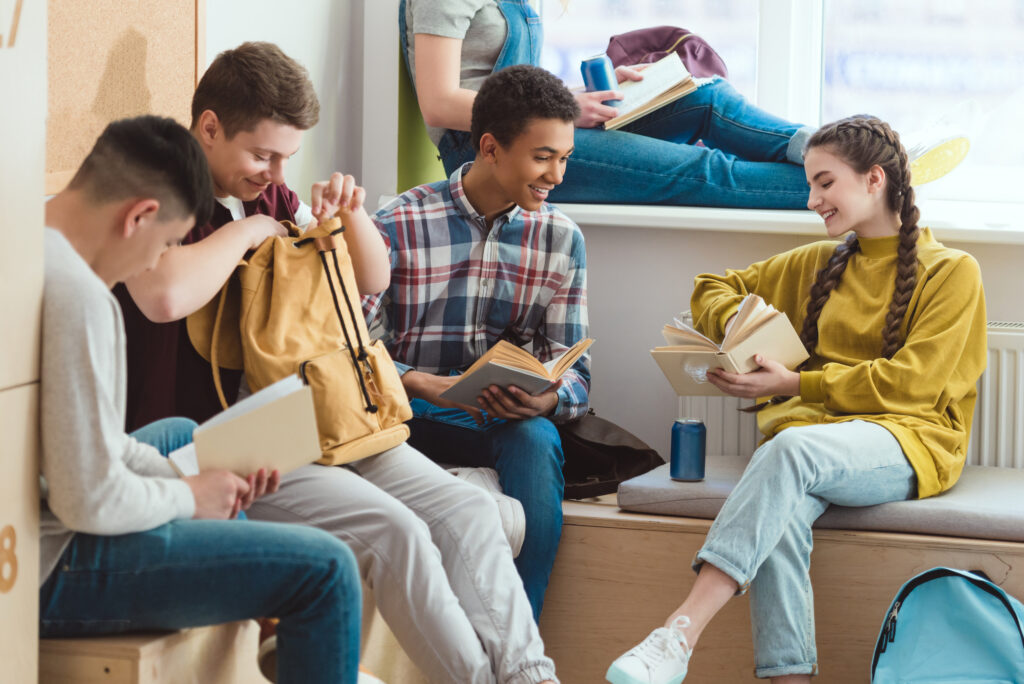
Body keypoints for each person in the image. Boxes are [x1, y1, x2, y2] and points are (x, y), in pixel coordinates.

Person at [117, 43, 559, 684]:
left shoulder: (268, 195)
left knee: (465, 511)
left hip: (312, 419)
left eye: (285, 159)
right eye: (262, 155)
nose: (273, 172)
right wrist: (249, 233)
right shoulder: (158, 190)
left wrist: (349, 215)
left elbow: (370, 279)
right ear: (208, 127)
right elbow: (162, 296)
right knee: (398, 532)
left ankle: (530, 676)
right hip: (215, 445)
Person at [605, 115, 987, 683]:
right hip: (812, 447)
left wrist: (794, 384)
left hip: (910, 440)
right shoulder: (816, 264)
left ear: (875, 178)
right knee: (779, 514)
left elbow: (915, 384)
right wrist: (742, 324)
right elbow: (711, 285)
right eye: (810, 184)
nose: (812, 200)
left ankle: (679, 632)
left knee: (787, 452)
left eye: (825, 182)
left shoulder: (953, 272)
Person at [39, 115, 362, 684]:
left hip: (36, 502)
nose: (150, 266)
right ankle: (274, 617)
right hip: (43, 565)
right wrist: (188, 496)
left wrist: (179, 477)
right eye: (164, 243)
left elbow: (87, 445)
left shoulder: (29, 237)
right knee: (329, 569)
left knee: (179, 435)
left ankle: (259, 605)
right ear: (138, 216)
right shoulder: (81, 298)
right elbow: (88, 502)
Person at [364, 63, 590, 620]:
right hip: (406, 413)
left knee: (536, 437)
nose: (556, 175)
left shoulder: (562, 239)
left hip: (498, 421)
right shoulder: (396, 224)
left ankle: (520, 648)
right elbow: (354, 356)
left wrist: (547, 398)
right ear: (490, 147)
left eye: (564, 157)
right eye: (543, 157)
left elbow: (578, 375)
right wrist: (422, 384)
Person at [401, 0, 815, 209]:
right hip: (492, 152)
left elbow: (505, 82)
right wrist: (557, 111)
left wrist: (576, 96)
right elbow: (438, 103)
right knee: (702, 169)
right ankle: (836, 187)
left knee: (707, 99)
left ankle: (835, 151)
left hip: (535, 126)